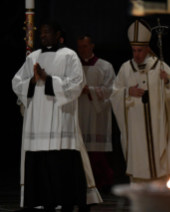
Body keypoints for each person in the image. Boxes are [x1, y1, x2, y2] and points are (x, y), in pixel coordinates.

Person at [12, 19, 102, 212]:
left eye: (46, 32)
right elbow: (17, 83)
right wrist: (32, 80)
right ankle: (43, 200)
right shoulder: (33, 57)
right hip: (38, 119)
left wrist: (49, 80)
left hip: (61, 117)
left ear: (57, 34)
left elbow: (77, 83)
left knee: (60, 158)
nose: (42, 35)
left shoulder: (69, 56)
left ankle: (67, 200)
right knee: (40, 160)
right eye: (41, 32)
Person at [110, 20, 170, 184]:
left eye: (140, 50)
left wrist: (167, 83)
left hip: (157, 125)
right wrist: (127, 92)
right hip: (136, 126)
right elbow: (114, 93)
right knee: (139, 160)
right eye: (134, 50)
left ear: (148, 49)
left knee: (159, 162)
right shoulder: (126, 68)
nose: (136, 54)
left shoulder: (159, 67)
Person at [77, 34, 115, 192]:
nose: (82, 50)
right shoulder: (74, 66)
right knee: (80, 151)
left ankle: (102, 182)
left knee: (95, 153)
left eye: (85, 46)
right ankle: (82, 182)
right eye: (79, 47)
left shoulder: (105, 66)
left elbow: (112, 90)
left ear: (92, 46)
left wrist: (89, 91)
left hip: (96, 114)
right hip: (78, 112)